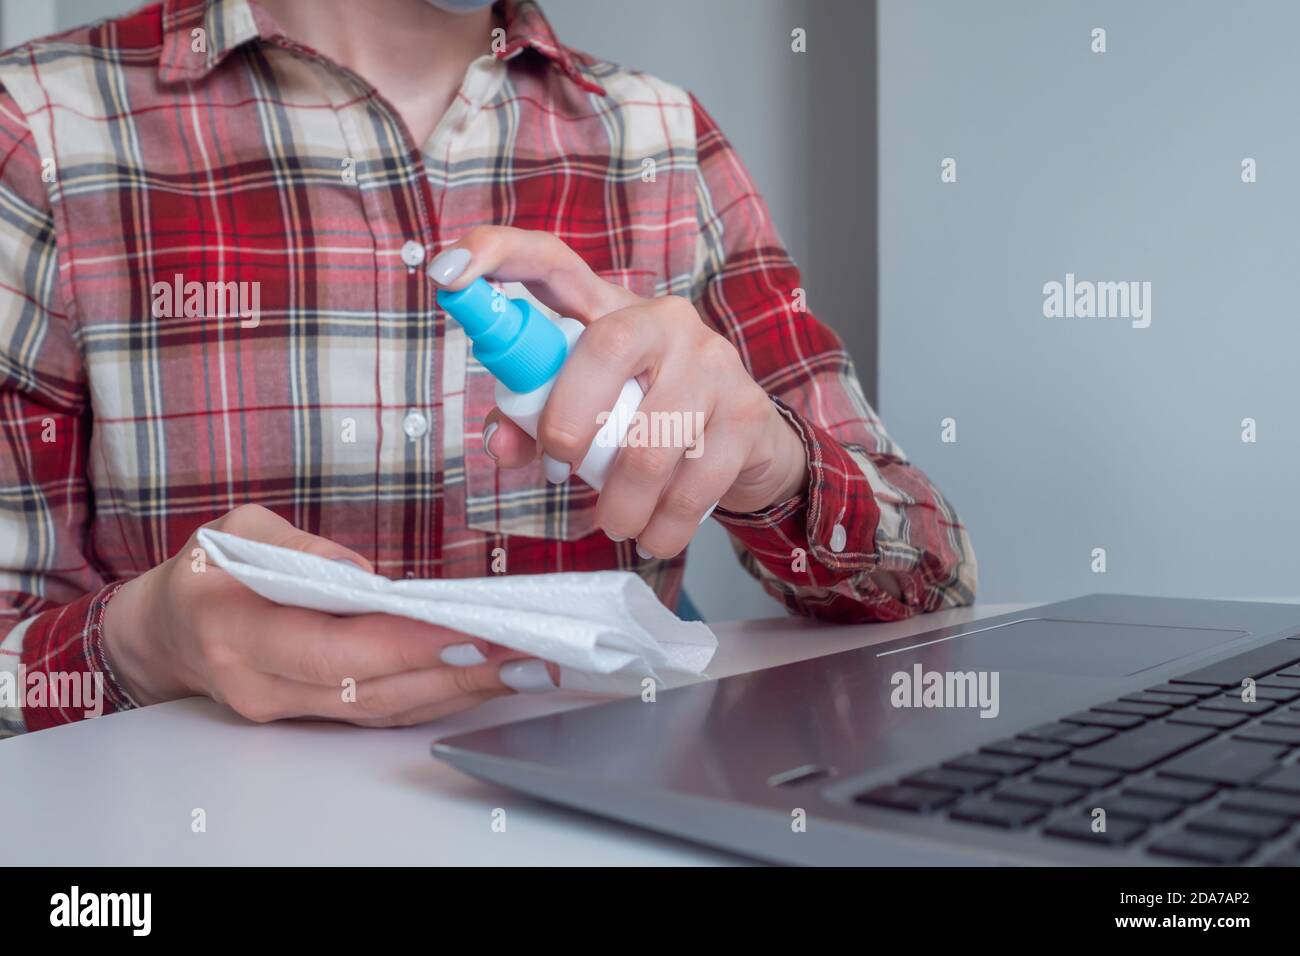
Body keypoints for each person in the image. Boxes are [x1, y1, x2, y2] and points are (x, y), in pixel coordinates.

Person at [0, 0, 975, 736]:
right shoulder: (41, 131)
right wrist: (143, 642)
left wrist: (776, 467)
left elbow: (929, 578)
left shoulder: (664, 142)